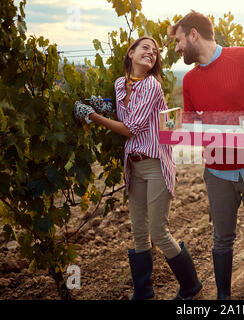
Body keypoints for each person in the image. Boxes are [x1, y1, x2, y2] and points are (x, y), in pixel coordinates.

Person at [169, 11, 244, 300]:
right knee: (222, 239)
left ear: (194, 34)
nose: (176, 48)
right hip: (217, 174)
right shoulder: (190, 81)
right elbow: (193, 125)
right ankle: (223, 295)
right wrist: (176, 132)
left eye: (179, 40)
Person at [73, 36, 202, 300]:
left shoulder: (152, 85)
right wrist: (105, 105)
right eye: (145, 48)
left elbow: (130, 127)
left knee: (159, 231)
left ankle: (191, 286)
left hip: (155, 164)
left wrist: (92, 116)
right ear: (130, 53)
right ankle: (143, 292)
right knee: (140, 233)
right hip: (134, 166)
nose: (151, 53)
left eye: (155, 52)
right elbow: (125, 112)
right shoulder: (120, 84)